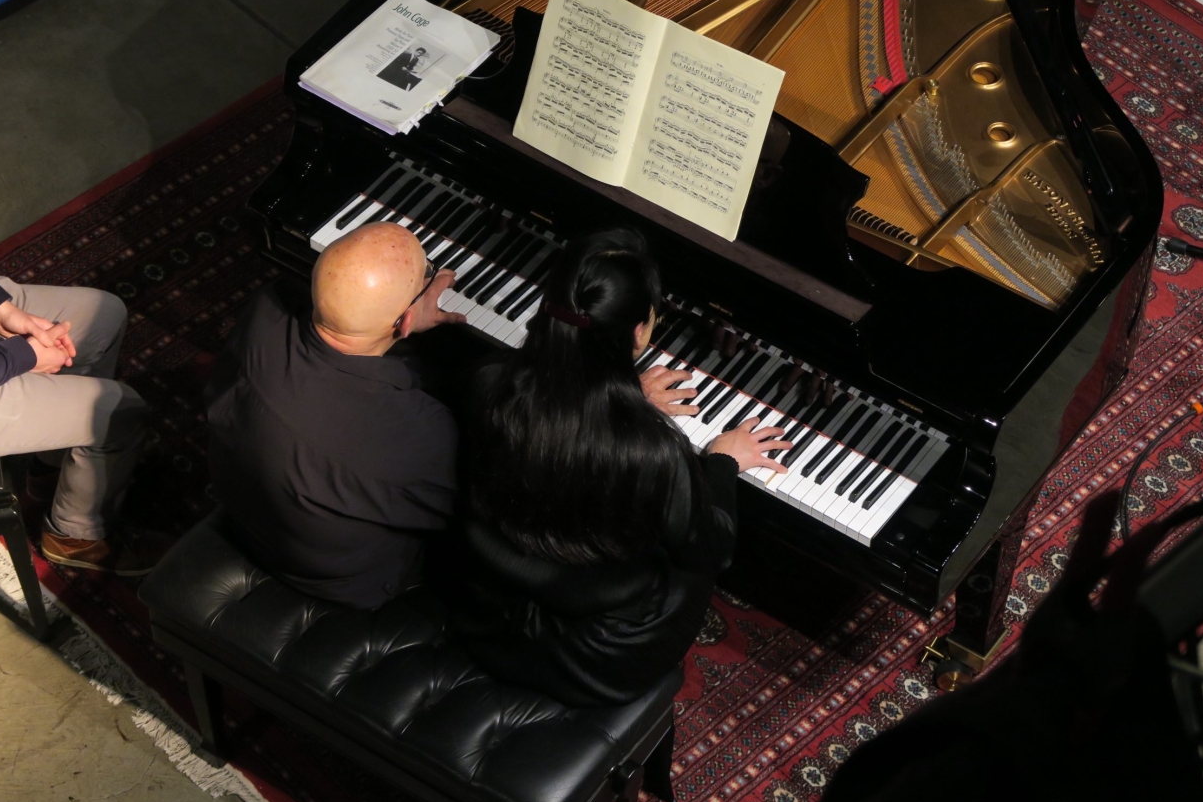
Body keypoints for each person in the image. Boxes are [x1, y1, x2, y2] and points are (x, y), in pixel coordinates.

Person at [442, 229, 792, 706]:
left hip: (486, 612)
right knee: (691, 559)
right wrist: (723, 460)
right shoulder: (652, 452)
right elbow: (712, 548)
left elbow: (559, 417)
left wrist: (626, 400)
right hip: (592, 661)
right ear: (639, 333)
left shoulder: (487, 383)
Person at [0, 47, 165, 574]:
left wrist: (1, 307)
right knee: (122, 411)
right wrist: (28, 354)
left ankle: (52, 464)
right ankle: (74, 537)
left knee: (103, 316)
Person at [205, 222, 467, 609]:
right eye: (427, 273)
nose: (431, 276)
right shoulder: (414, 432)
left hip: (251, 515)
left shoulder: (267, 304)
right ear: (407, 320)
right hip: (338, 578)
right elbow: (462, 514)